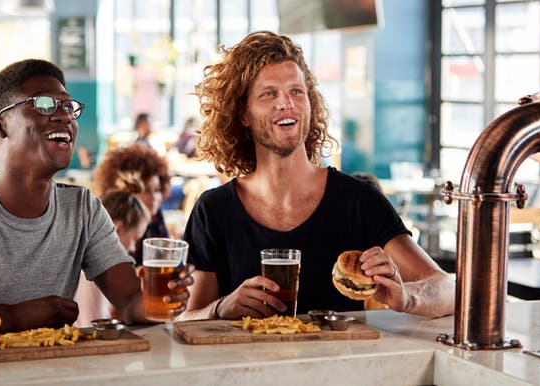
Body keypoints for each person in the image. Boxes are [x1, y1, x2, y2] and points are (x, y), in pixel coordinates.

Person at [179, 31, 454, 321]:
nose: (287, 104)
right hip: (246, 366)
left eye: (296, 91)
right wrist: (221, 308)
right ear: (243, 114)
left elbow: (447, 289)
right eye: (269, 93)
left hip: (341, 366)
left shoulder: (358, 200)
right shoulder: (213, 211)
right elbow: (186, 321)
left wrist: (407, 296)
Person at [0, 59, 193, 337]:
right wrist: (13, 316)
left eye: (67, 106)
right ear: (0, 127)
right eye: (44, 104)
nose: (64, 116)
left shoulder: (83, 209)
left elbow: (131, 302)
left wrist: (159, 300)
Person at [75, 172, 151, 324]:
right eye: (135, 238)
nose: (134, 248)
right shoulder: (97, 272)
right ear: (117, 229)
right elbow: (93, 323)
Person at [93, 143, 171, 265]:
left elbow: (167, 259)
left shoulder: (155, 217)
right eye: (145, 191)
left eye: (156, 190)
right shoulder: (102, 226)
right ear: (124, 192)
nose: (154, 199)